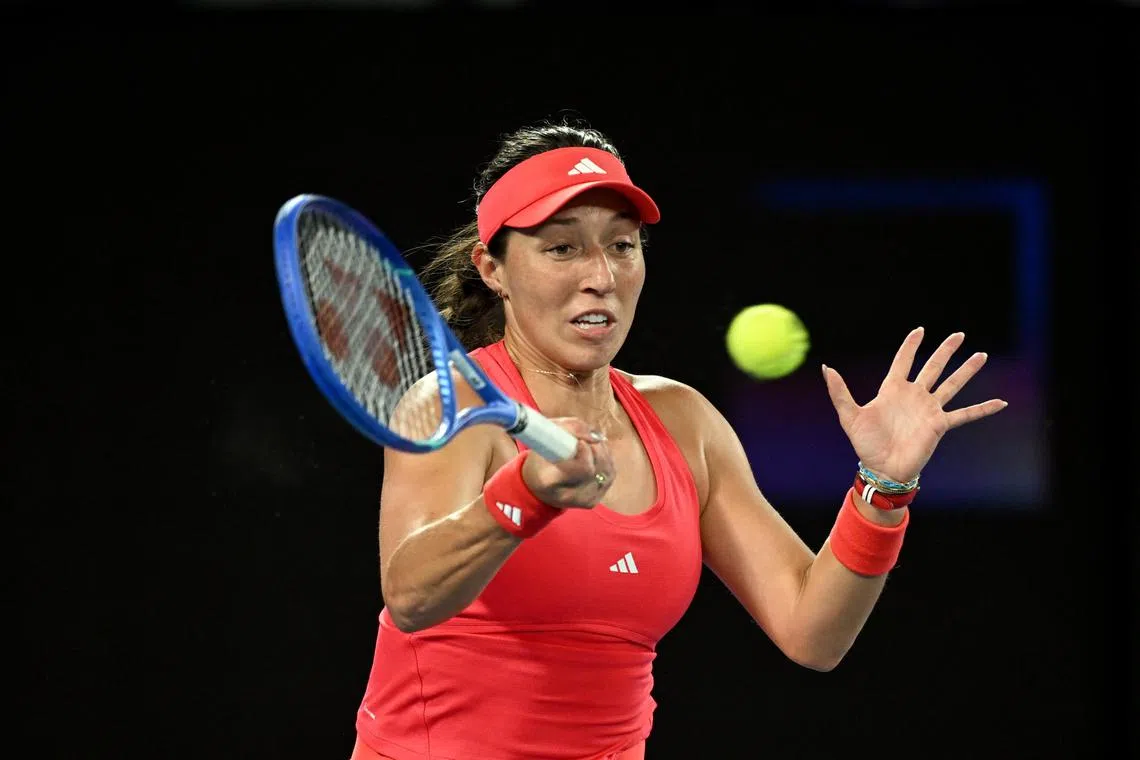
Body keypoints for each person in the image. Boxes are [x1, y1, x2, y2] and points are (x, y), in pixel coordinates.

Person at [348, 118, 1008, 760]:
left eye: (622, 245)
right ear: (493, 269)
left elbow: (813, 633)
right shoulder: (453, 406)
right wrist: (524, 494)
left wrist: (883, 488)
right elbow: (410, 596)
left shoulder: (684, 422)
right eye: (562, 248)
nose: (601, 275)